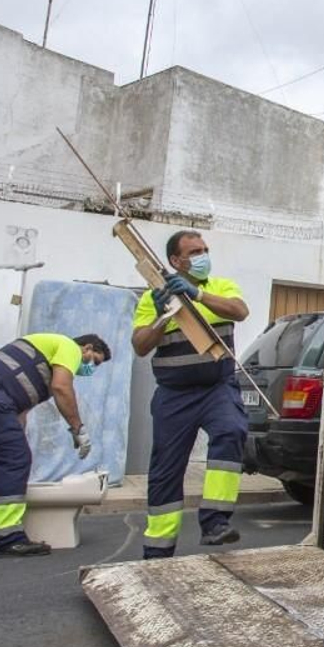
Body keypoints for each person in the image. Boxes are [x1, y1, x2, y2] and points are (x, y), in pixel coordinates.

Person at [131, 230, 250, 559]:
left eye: (205, 249)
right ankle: (157, 550)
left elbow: (239, 311)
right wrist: (160, 318)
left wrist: (196, 294)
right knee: (166, 469)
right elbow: (140, 346)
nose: (203, 255)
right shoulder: (153, 296)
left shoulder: (220, 287)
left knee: (232, 431)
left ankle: (215, 523)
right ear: (175, 261)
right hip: (173, 395)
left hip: (218, 387)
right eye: (195, 251)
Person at [0, 332, 111, 557]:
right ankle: (5, 538)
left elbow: (19, 416)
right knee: (14, 459)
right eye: (94, 360)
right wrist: (78, 430)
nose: (91, 367)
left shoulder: (42, 366)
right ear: (87, 347)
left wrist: (9, 448)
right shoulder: (69, 347)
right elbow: (62, 388)